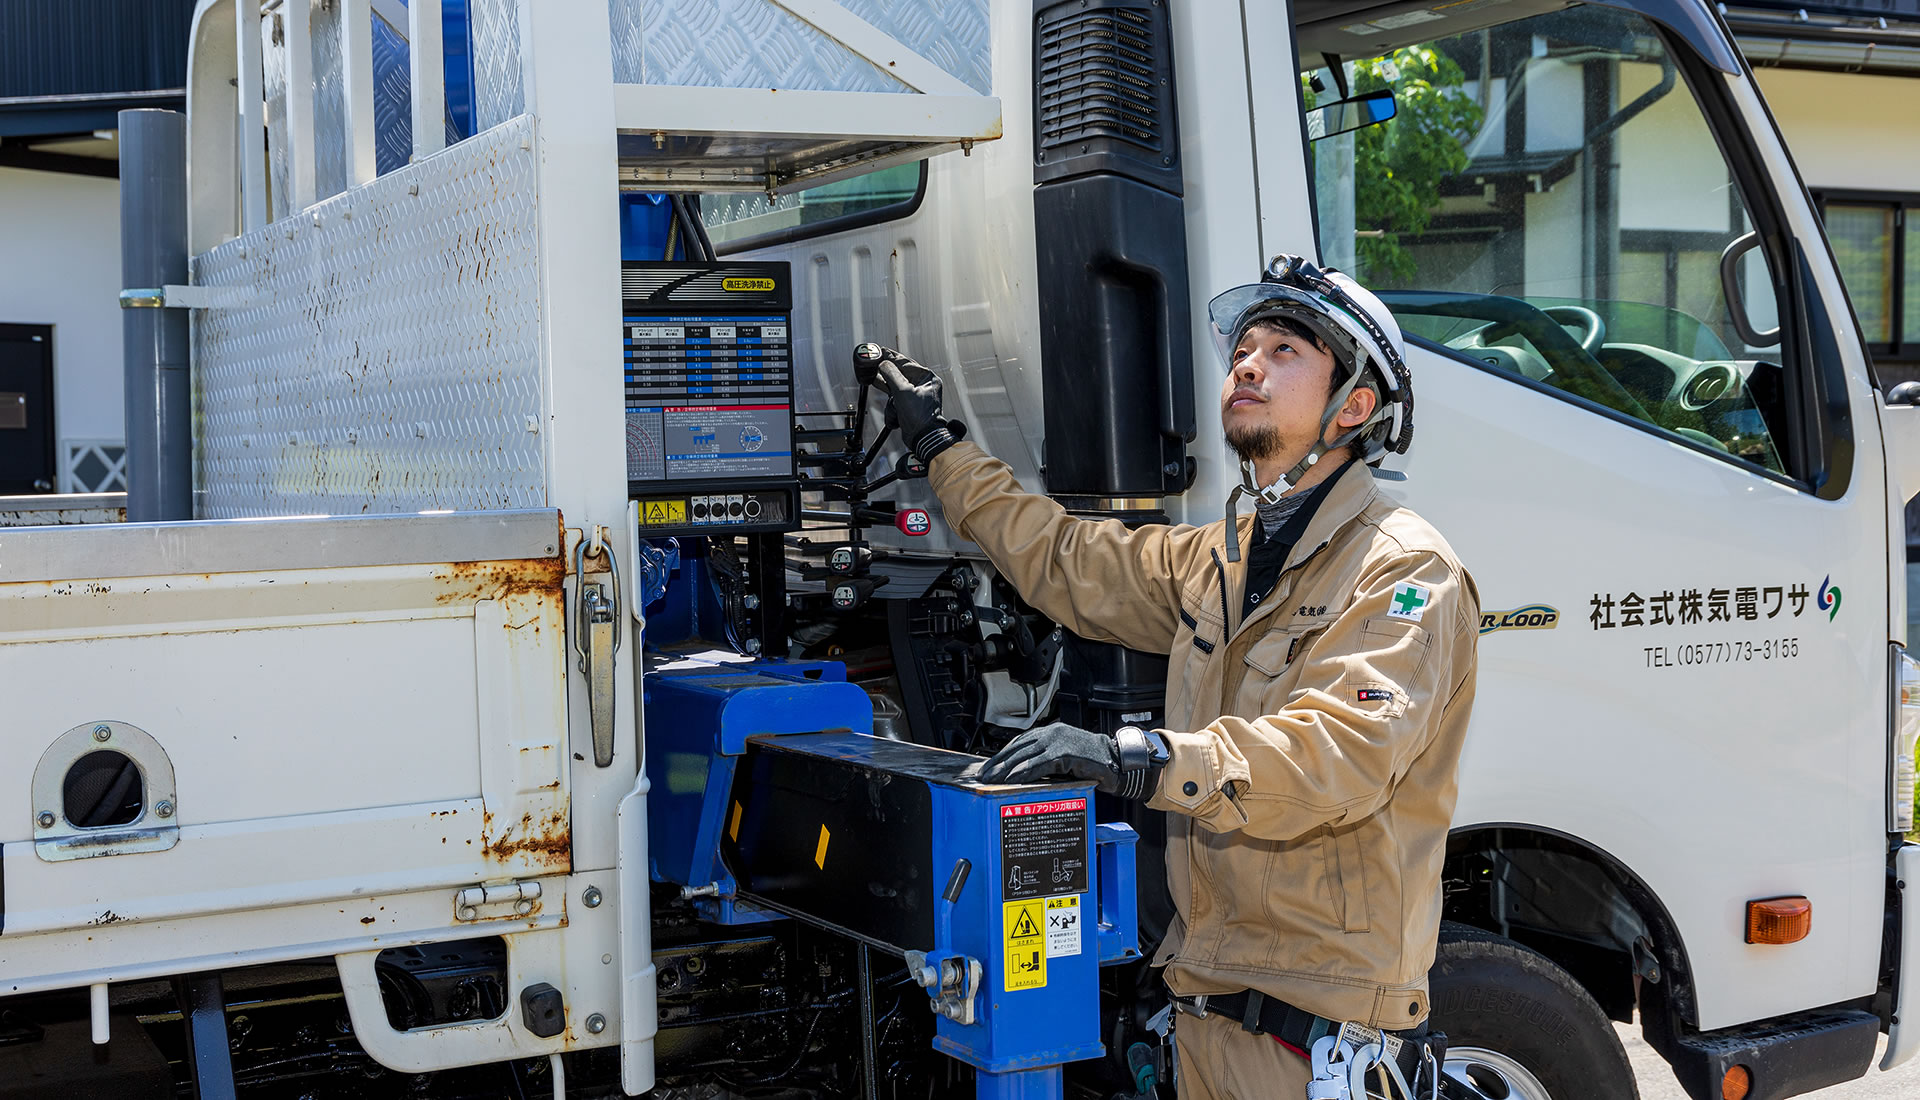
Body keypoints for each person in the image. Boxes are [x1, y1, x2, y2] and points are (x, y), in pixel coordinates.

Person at [863, 254, 1480, 1099]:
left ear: (1355, 406)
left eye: (1285, 351)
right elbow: (1067, 559)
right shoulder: (1221, 557)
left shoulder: (1403, 569)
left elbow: (1336, 755)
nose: (1249, 365)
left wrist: (1138, 756)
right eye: (1243, 351)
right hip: (1207, 1010)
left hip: (1318, 1031)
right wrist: (939, 447)